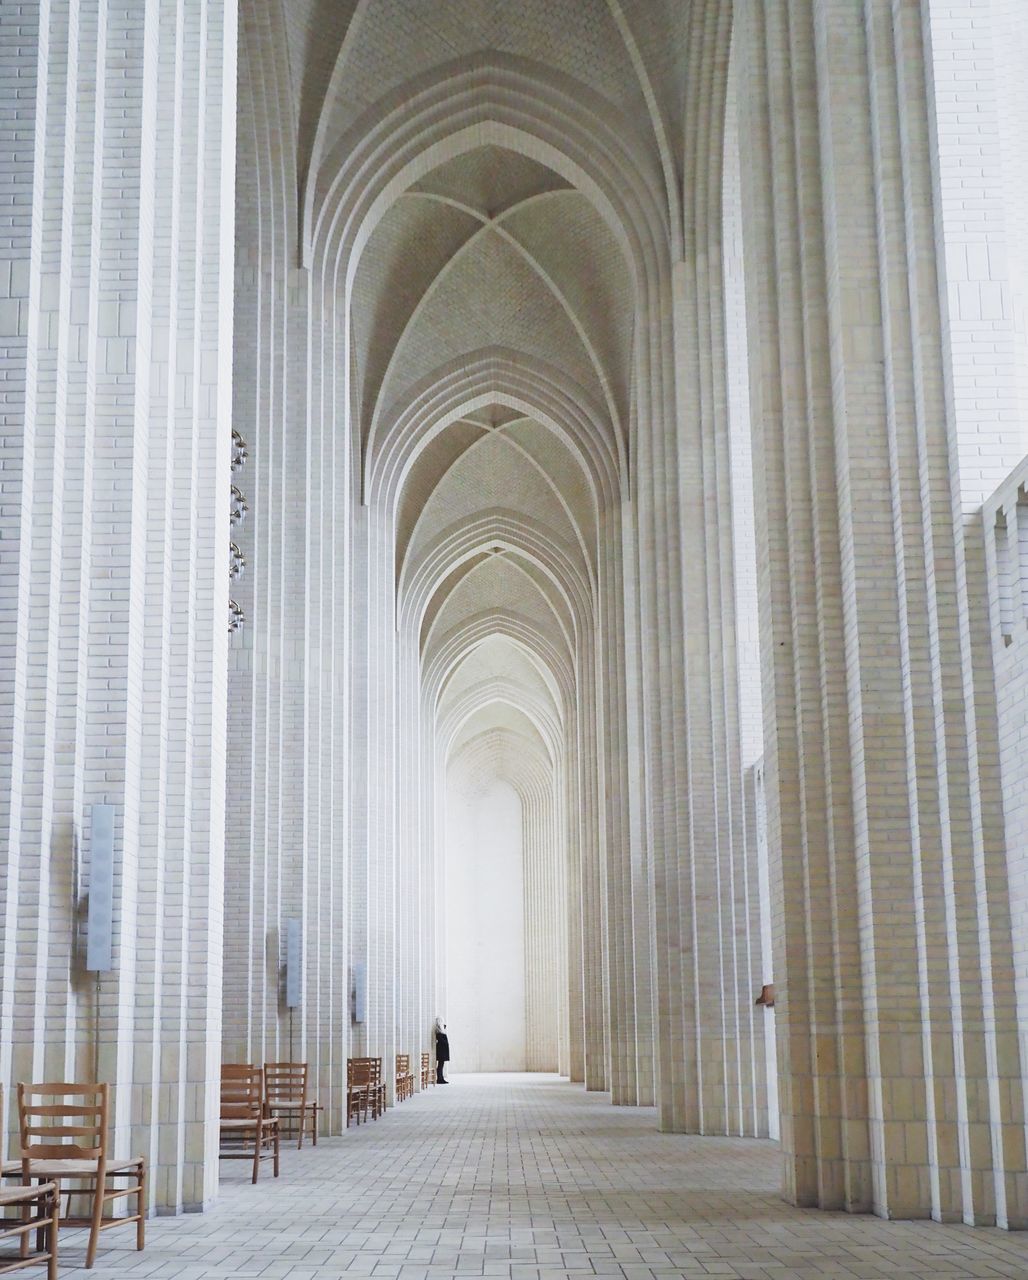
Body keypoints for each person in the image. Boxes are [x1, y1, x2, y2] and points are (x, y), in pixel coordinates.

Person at [434, 1016, 450, 1083]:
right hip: (441, 1051)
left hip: (443, 1051)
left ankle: (441, 1078)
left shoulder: (441, 1030)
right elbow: (442, 1041)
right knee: (440, 1066)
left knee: (441, 1065)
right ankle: (439, 1079)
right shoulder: (438, 1031)